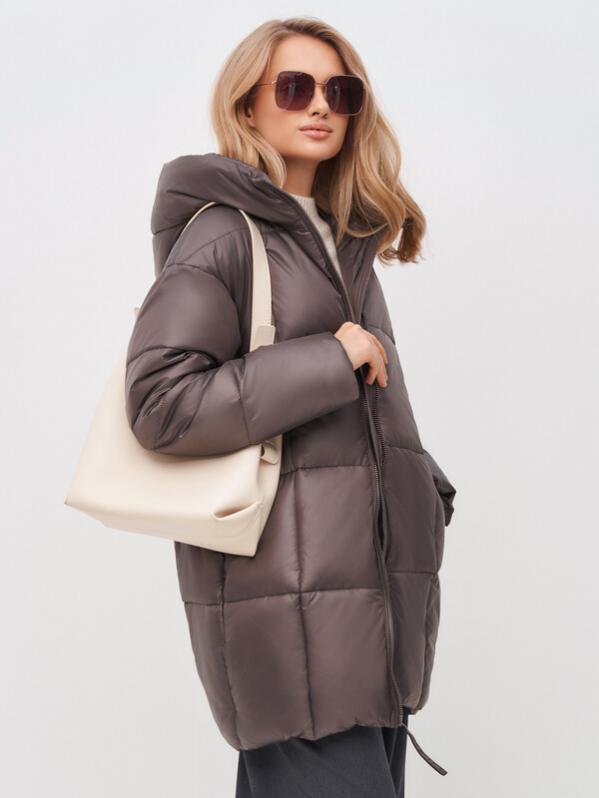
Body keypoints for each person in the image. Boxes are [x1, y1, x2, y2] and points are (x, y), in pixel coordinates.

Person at [125, 16, 457, 797]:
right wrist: (329, 359)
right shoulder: (223, 235)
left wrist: (418, 483)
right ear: (246, 105)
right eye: (294, 87)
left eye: (340, 91)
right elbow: (161, 401)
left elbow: (358, 413)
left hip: (368, 613)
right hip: (285, 615)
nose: (319, 106)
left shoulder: (340, 242)